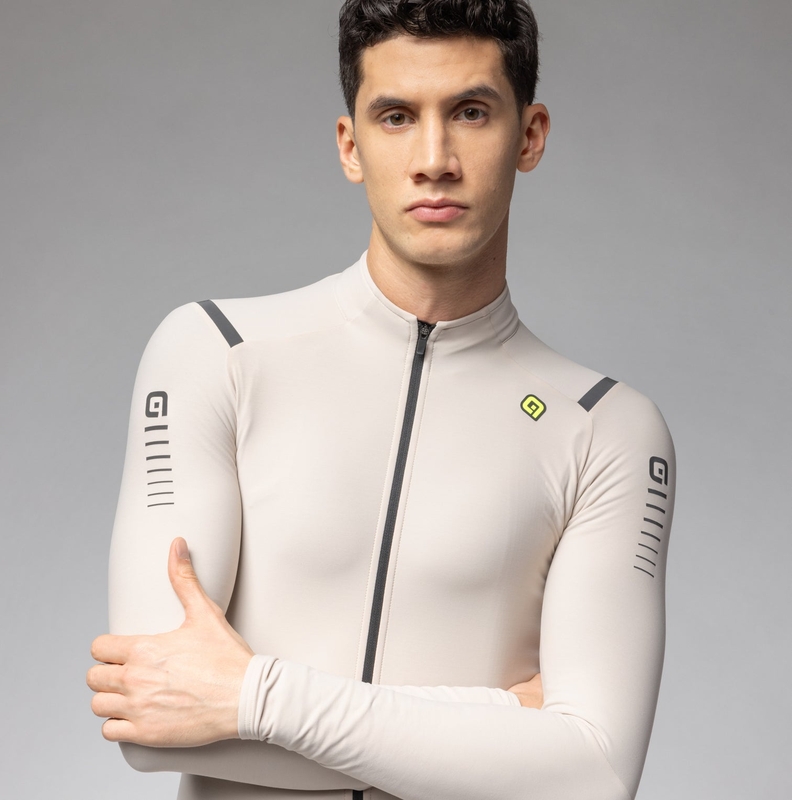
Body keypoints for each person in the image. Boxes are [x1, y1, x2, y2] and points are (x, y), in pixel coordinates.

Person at [87, 1, 676, 799]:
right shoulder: (215, 353)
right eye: (397, 117)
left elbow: (593, 777)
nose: (435, 159)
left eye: (471, 112)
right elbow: (150, 717)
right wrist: (511, 723)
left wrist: (251, 696)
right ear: (350, 145)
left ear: (529, 136)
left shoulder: (608, 431)